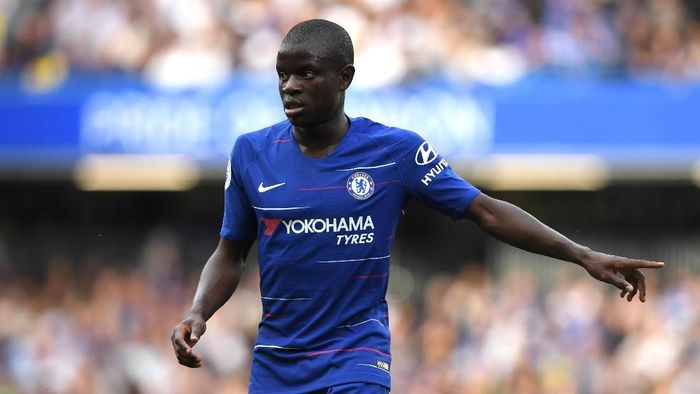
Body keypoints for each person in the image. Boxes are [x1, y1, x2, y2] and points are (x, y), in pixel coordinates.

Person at [171, 19, 664, 393]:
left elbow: (485, 211)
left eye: (306, 73)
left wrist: (582, 255)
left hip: (355, 356)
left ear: (344, 77)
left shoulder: (394, 153)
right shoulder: (252, 153)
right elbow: (230, 251)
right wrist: (199, 311)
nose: (290, 86)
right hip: (276, 361)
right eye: (282, 75)